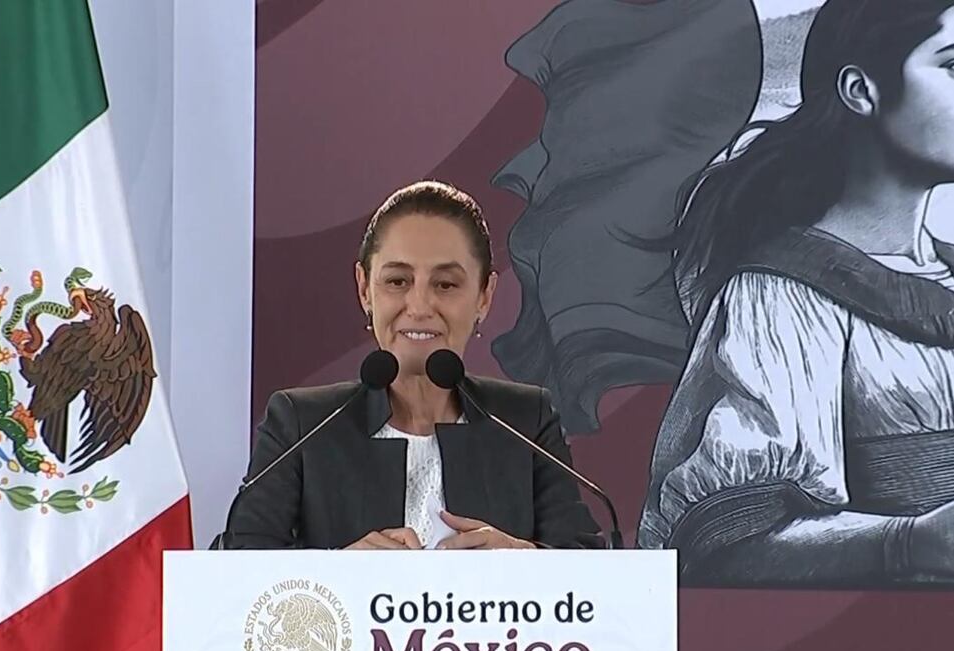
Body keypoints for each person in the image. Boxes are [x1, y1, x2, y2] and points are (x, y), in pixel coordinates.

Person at [638, 0, 954, 586]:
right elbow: (724, 541)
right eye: (953, 66)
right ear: (861, 90)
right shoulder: (782, 296)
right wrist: (909, 541)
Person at [216, 181, 602, 550]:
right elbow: (237, 562)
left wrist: (521, 559)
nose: (418, 307)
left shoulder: (526, 421)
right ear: (365, 289)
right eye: (398, 281)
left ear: (485, 296)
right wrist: (339, 567)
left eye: (445, 284)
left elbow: (589, 563)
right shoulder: (302, 424)